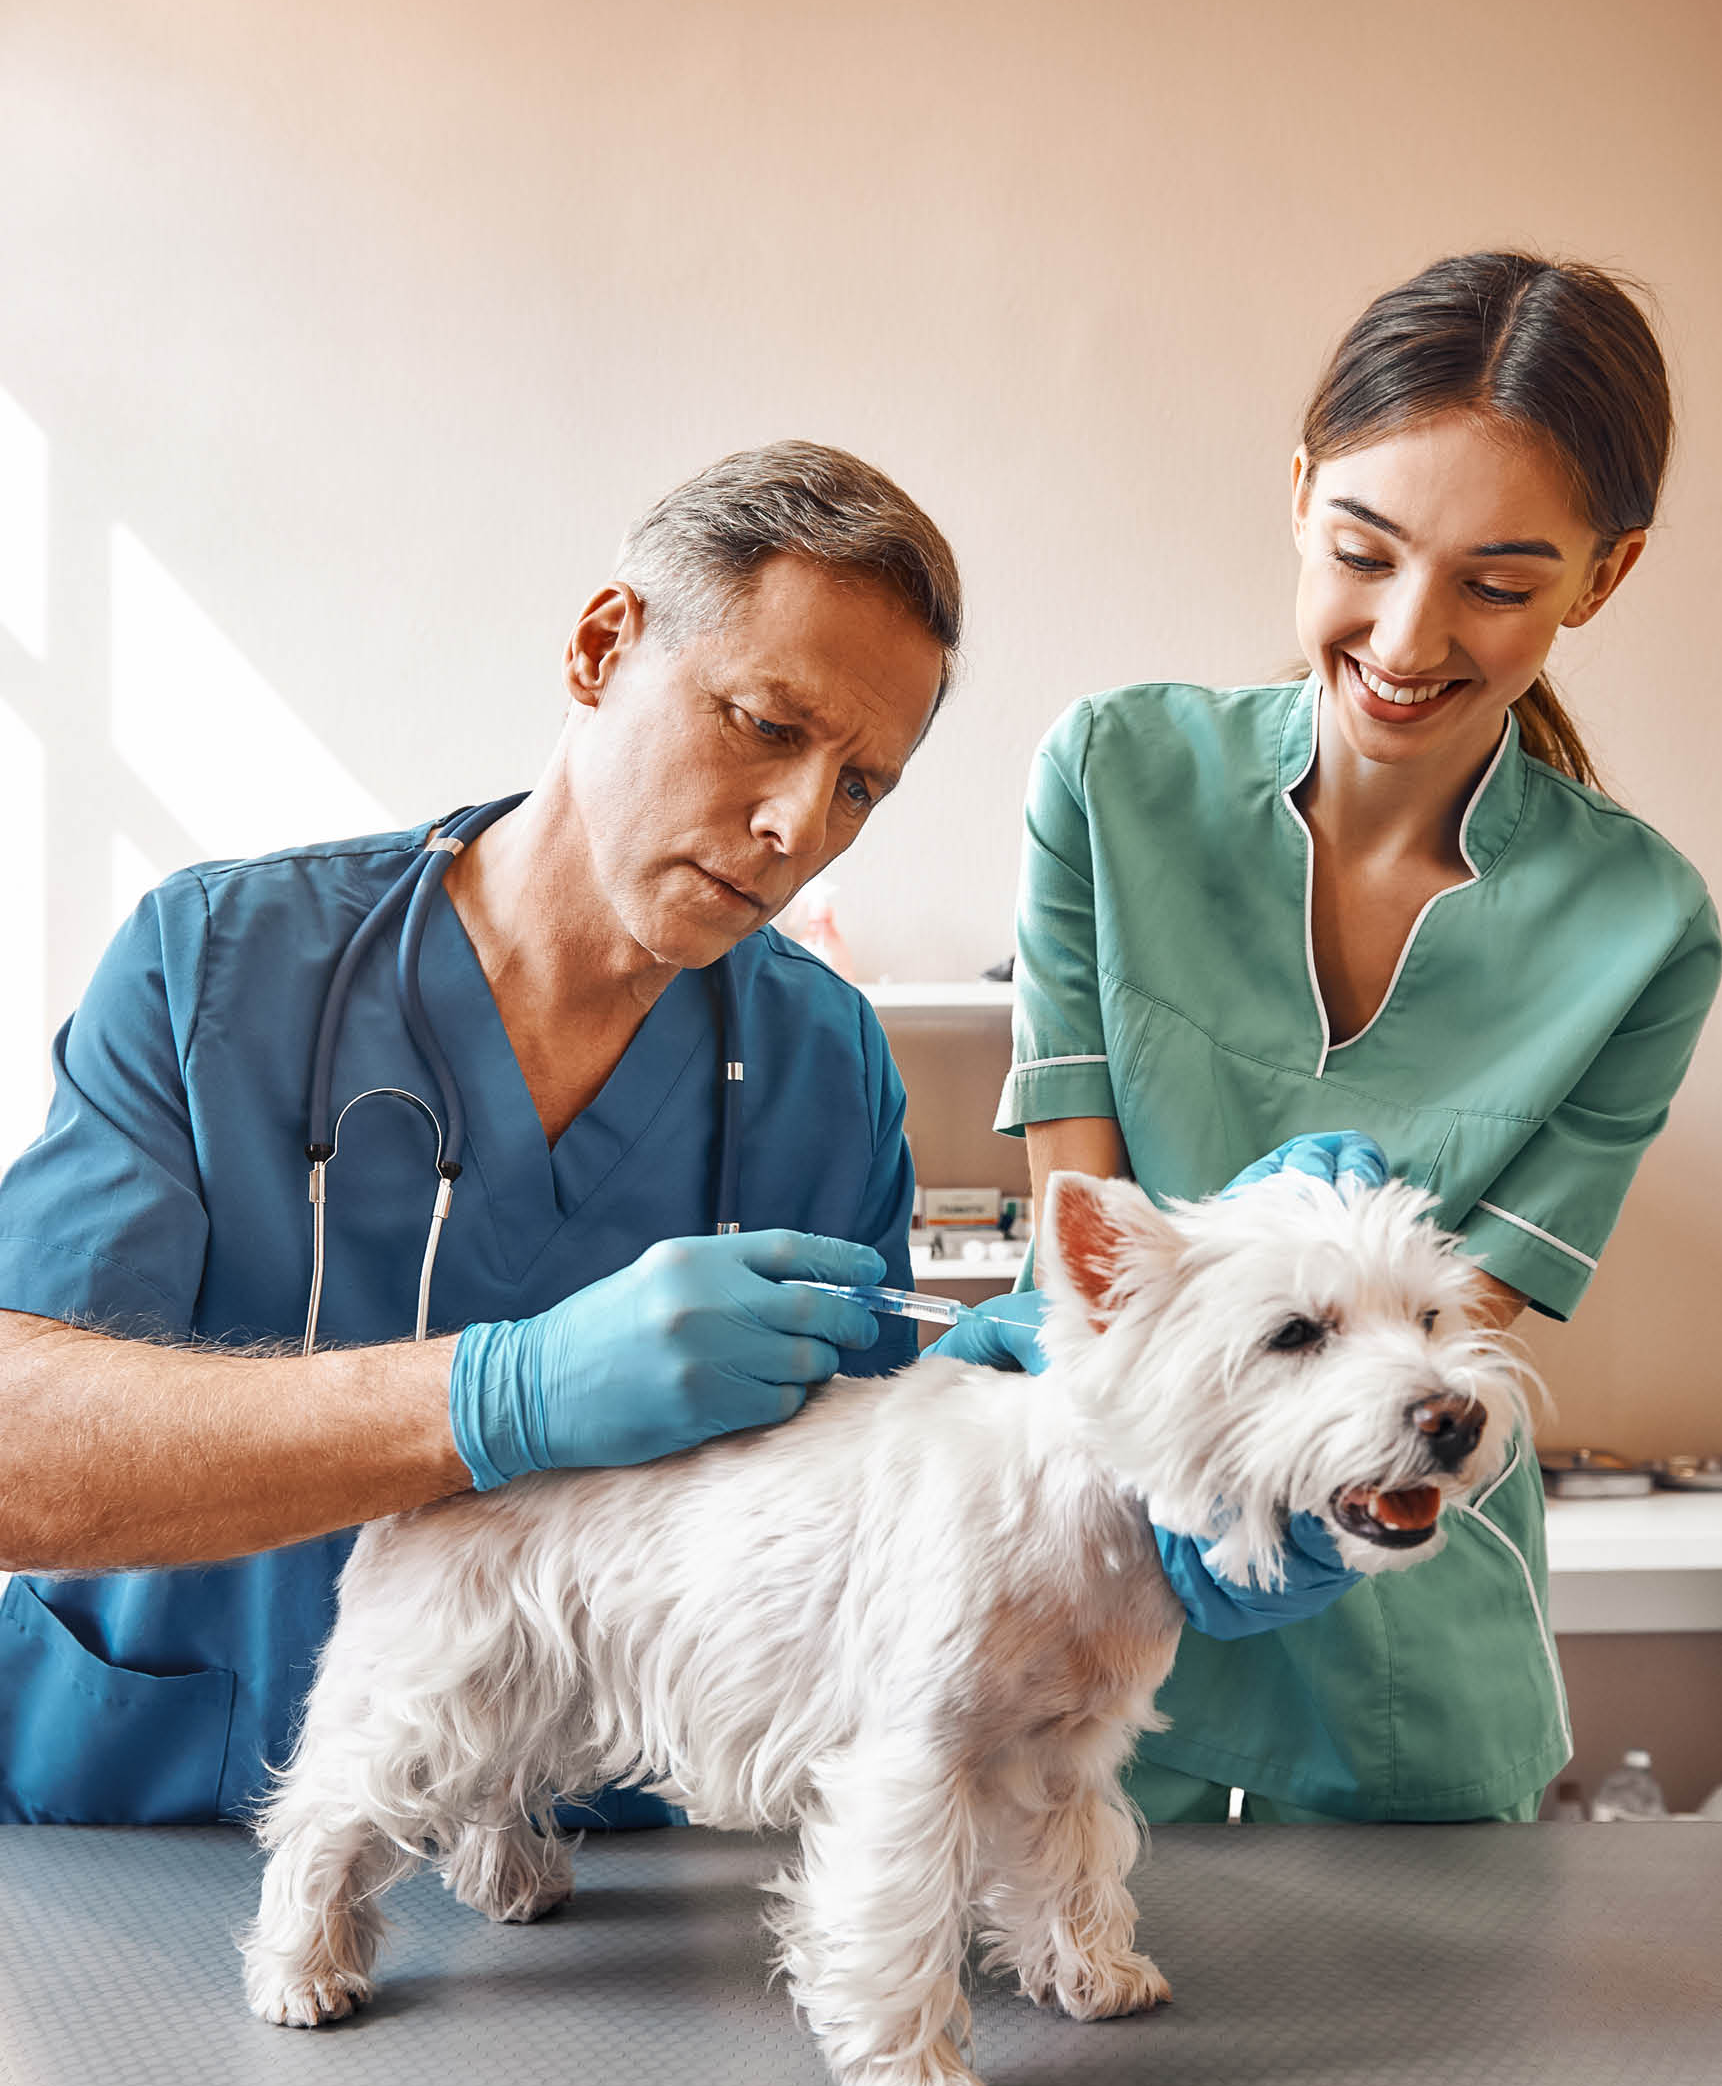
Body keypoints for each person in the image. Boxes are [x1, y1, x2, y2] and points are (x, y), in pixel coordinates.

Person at [0, 441, 960, 1826]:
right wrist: (493, 1398)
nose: (794, 825)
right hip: (157, 1820)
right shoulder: (220, 965)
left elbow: (839, 1545)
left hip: (583, 1892)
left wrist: (1006, 1434)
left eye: (860, 786)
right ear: (599, 645)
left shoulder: (824, 1068)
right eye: (763, 722)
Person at [949, 252, 1720, 1823]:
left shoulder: (1644, 928)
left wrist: (1329, 1383)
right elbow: (1081, 1254)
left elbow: (1459, 1337)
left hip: (1397, 1606)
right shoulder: (1109, 778)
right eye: (1363, 551)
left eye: (1499, 585)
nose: (1408, 636)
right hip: (1094, 1574)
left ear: (1603, 574)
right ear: (1300, 494)